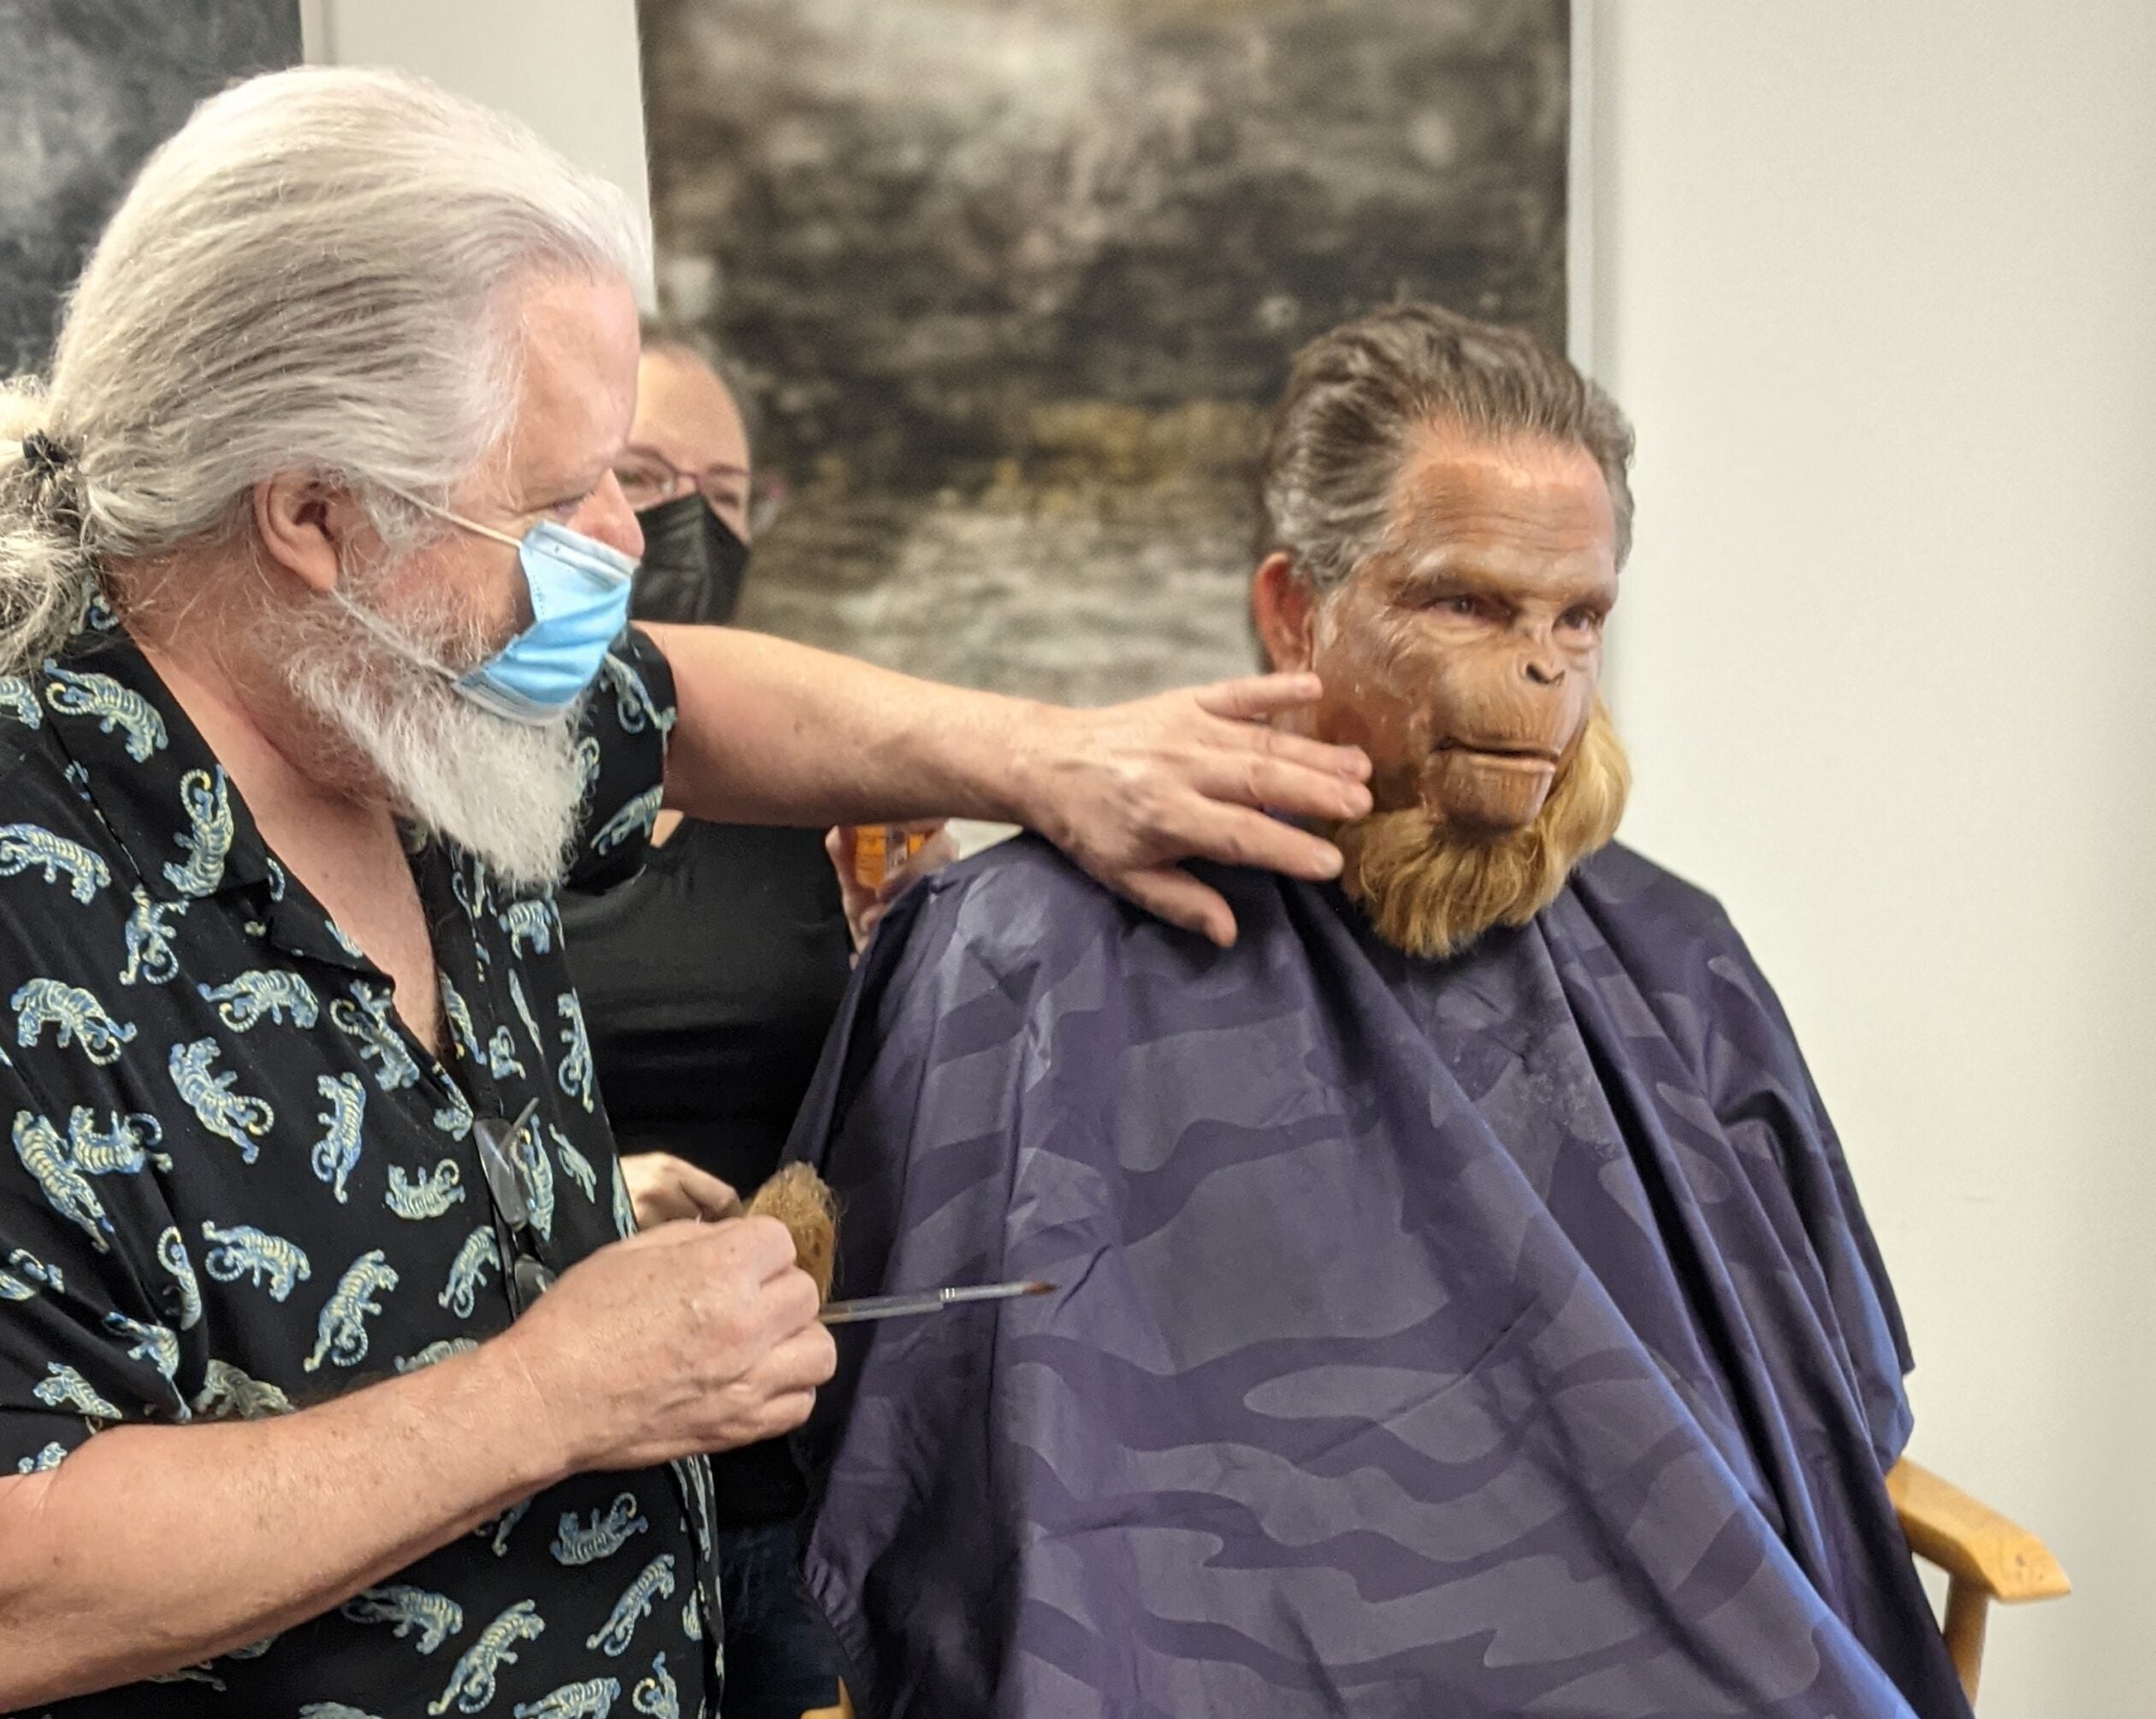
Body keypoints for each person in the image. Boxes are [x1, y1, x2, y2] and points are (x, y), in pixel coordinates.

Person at [0, 68, 1377, 1715]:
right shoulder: (40, 895)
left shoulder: (405, 679)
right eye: (558, 496)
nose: (620, 541)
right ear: (310, 510)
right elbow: (23, 1581)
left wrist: (1046, 759)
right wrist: (556, 1389)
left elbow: (692, 700)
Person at [786, 306, 1973, 1718]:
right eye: (1467, 601)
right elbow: (924, 1485)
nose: (1543, 669)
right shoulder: (1030, 951)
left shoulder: (1673, 956)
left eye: (1577, 616)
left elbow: (1830, 1413)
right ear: (1297, 609)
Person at [560, 327, 897, 1716]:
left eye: (723, 491)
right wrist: (577, 1197)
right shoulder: (449, 802)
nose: (682, 523)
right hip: (565, 1499)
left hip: (794, 1484)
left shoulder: (818, 804)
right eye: (639, 476)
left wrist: (895, 954)